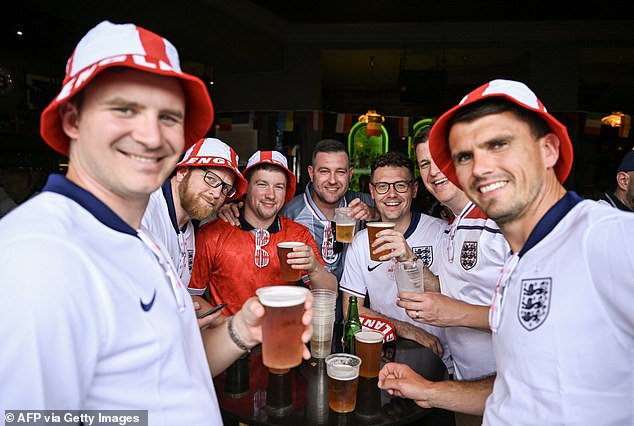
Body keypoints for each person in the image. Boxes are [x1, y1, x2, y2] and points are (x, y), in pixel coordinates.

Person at [0, 21, 313, 423]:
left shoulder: (140, 237)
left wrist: (240, 331)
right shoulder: (38, 256)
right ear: (72, 120)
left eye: (168, 116)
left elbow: (176, 365)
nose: (151, 135)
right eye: (124, 108)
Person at [378, 79, 634, 425]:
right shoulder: (522, 259)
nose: (480, 167)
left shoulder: (605, 237)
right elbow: (519, 388)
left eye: (499, 144)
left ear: (549, 150)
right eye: (464, 156)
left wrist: (454, 313)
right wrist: (429, 390)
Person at [401, 126, 510, 426]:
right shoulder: (454, 224)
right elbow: (448, 290)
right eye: (424, 164)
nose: (434, 172)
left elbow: (525, 319)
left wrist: (453, 314)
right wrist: (408, 257)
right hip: (464, 386)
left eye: (440, 159)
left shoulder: (499, 221)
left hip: (506, 389)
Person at [189, 150, 337, 316]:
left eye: (278, 187)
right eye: (262, 184)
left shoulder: (298, 235)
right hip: (231, 339)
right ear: (246, 188)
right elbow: (192, 297)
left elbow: (330, 293)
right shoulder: (211, 234)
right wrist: (228, 326)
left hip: (284, 334)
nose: (270, 195)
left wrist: (314, 267)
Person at [339, 151, 450, 364]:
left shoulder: (441, 233)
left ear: (414, 189)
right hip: (385, 356)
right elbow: (351, 310)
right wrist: (410, 330)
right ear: (372, 191)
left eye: (400, 185)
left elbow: (453, 294)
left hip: (440, 358)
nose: (391, 194)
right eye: (382, 186)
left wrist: (410, 259)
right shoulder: (360, 243)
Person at [142, 137, 247, 289]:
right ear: (182, 172)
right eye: (210, 179)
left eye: (225, 188)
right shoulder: (143, 211)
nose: (217, 193)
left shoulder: (189, 226)